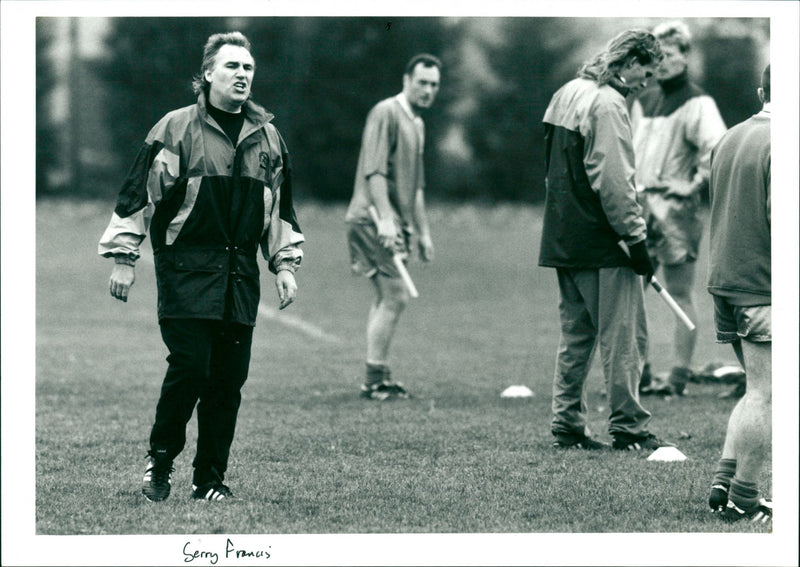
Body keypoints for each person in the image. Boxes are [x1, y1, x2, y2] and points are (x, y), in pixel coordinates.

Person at [98, 31, 305, 502]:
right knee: (190, 367)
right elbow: (138, 194)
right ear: (208, 73)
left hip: (239, 279)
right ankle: (160, 462)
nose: (242, 75)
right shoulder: (174, 128)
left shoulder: (269, 137)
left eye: (248, 67)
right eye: (232, 66)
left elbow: (280, 209)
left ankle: (209, 479)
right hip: (185, 270)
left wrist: (285, 264)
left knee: (227, 383)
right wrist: (124, 258)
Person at [539, 29, 675, 451]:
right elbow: (615, 182)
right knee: (624, 338)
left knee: (576, 336)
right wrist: (636, 241)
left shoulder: (567, 92)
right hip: (604, 244)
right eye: (647, 73)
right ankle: (629, 427)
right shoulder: (609, 103)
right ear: (629, 61)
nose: (647, 83)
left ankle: (567, 424)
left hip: (564, 238)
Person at [630, 21, 727, 396]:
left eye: (670, 54)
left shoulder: (699, 102)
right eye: (658, 56)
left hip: (677, 212)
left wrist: (691, 183)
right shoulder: (644, 99)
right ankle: (638, 373)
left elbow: (717, 151)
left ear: (685, 56)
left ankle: (679, 378)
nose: (663, 62)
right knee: (631, 290)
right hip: (640, 207)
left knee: (679, 291)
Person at [345, 54, 439, 400]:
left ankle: (378, 376)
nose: (428, 90)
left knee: (388, 297)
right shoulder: (386, 112)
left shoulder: (418, 124)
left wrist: (424, 232)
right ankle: (373, 381)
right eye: (422, 82)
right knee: (396, 296)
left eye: (434, 84)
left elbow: (415, 187)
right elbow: (374, 171)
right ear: (406, 80)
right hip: (371, 219)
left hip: (392, 224)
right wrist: (384, 218)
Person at [706, 64, 771, 523]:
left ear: (761, 90)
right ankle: (746, 500)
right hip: (763, 284)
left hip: (726, 280)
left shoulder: (729, 136)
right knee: (768, 395)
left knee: (756, 390)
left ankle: (724, 483)